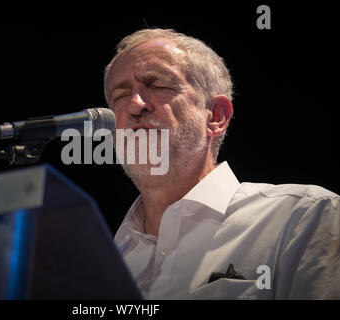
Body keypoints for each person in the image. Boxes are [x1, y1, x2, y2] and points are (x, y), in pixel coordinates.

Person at [103, 28, 340, 299]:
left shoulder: (301, 217)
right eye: (120, 96)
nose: (135, 105)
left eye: (159, 86)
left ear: (215, 116)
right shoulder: (100, 260)